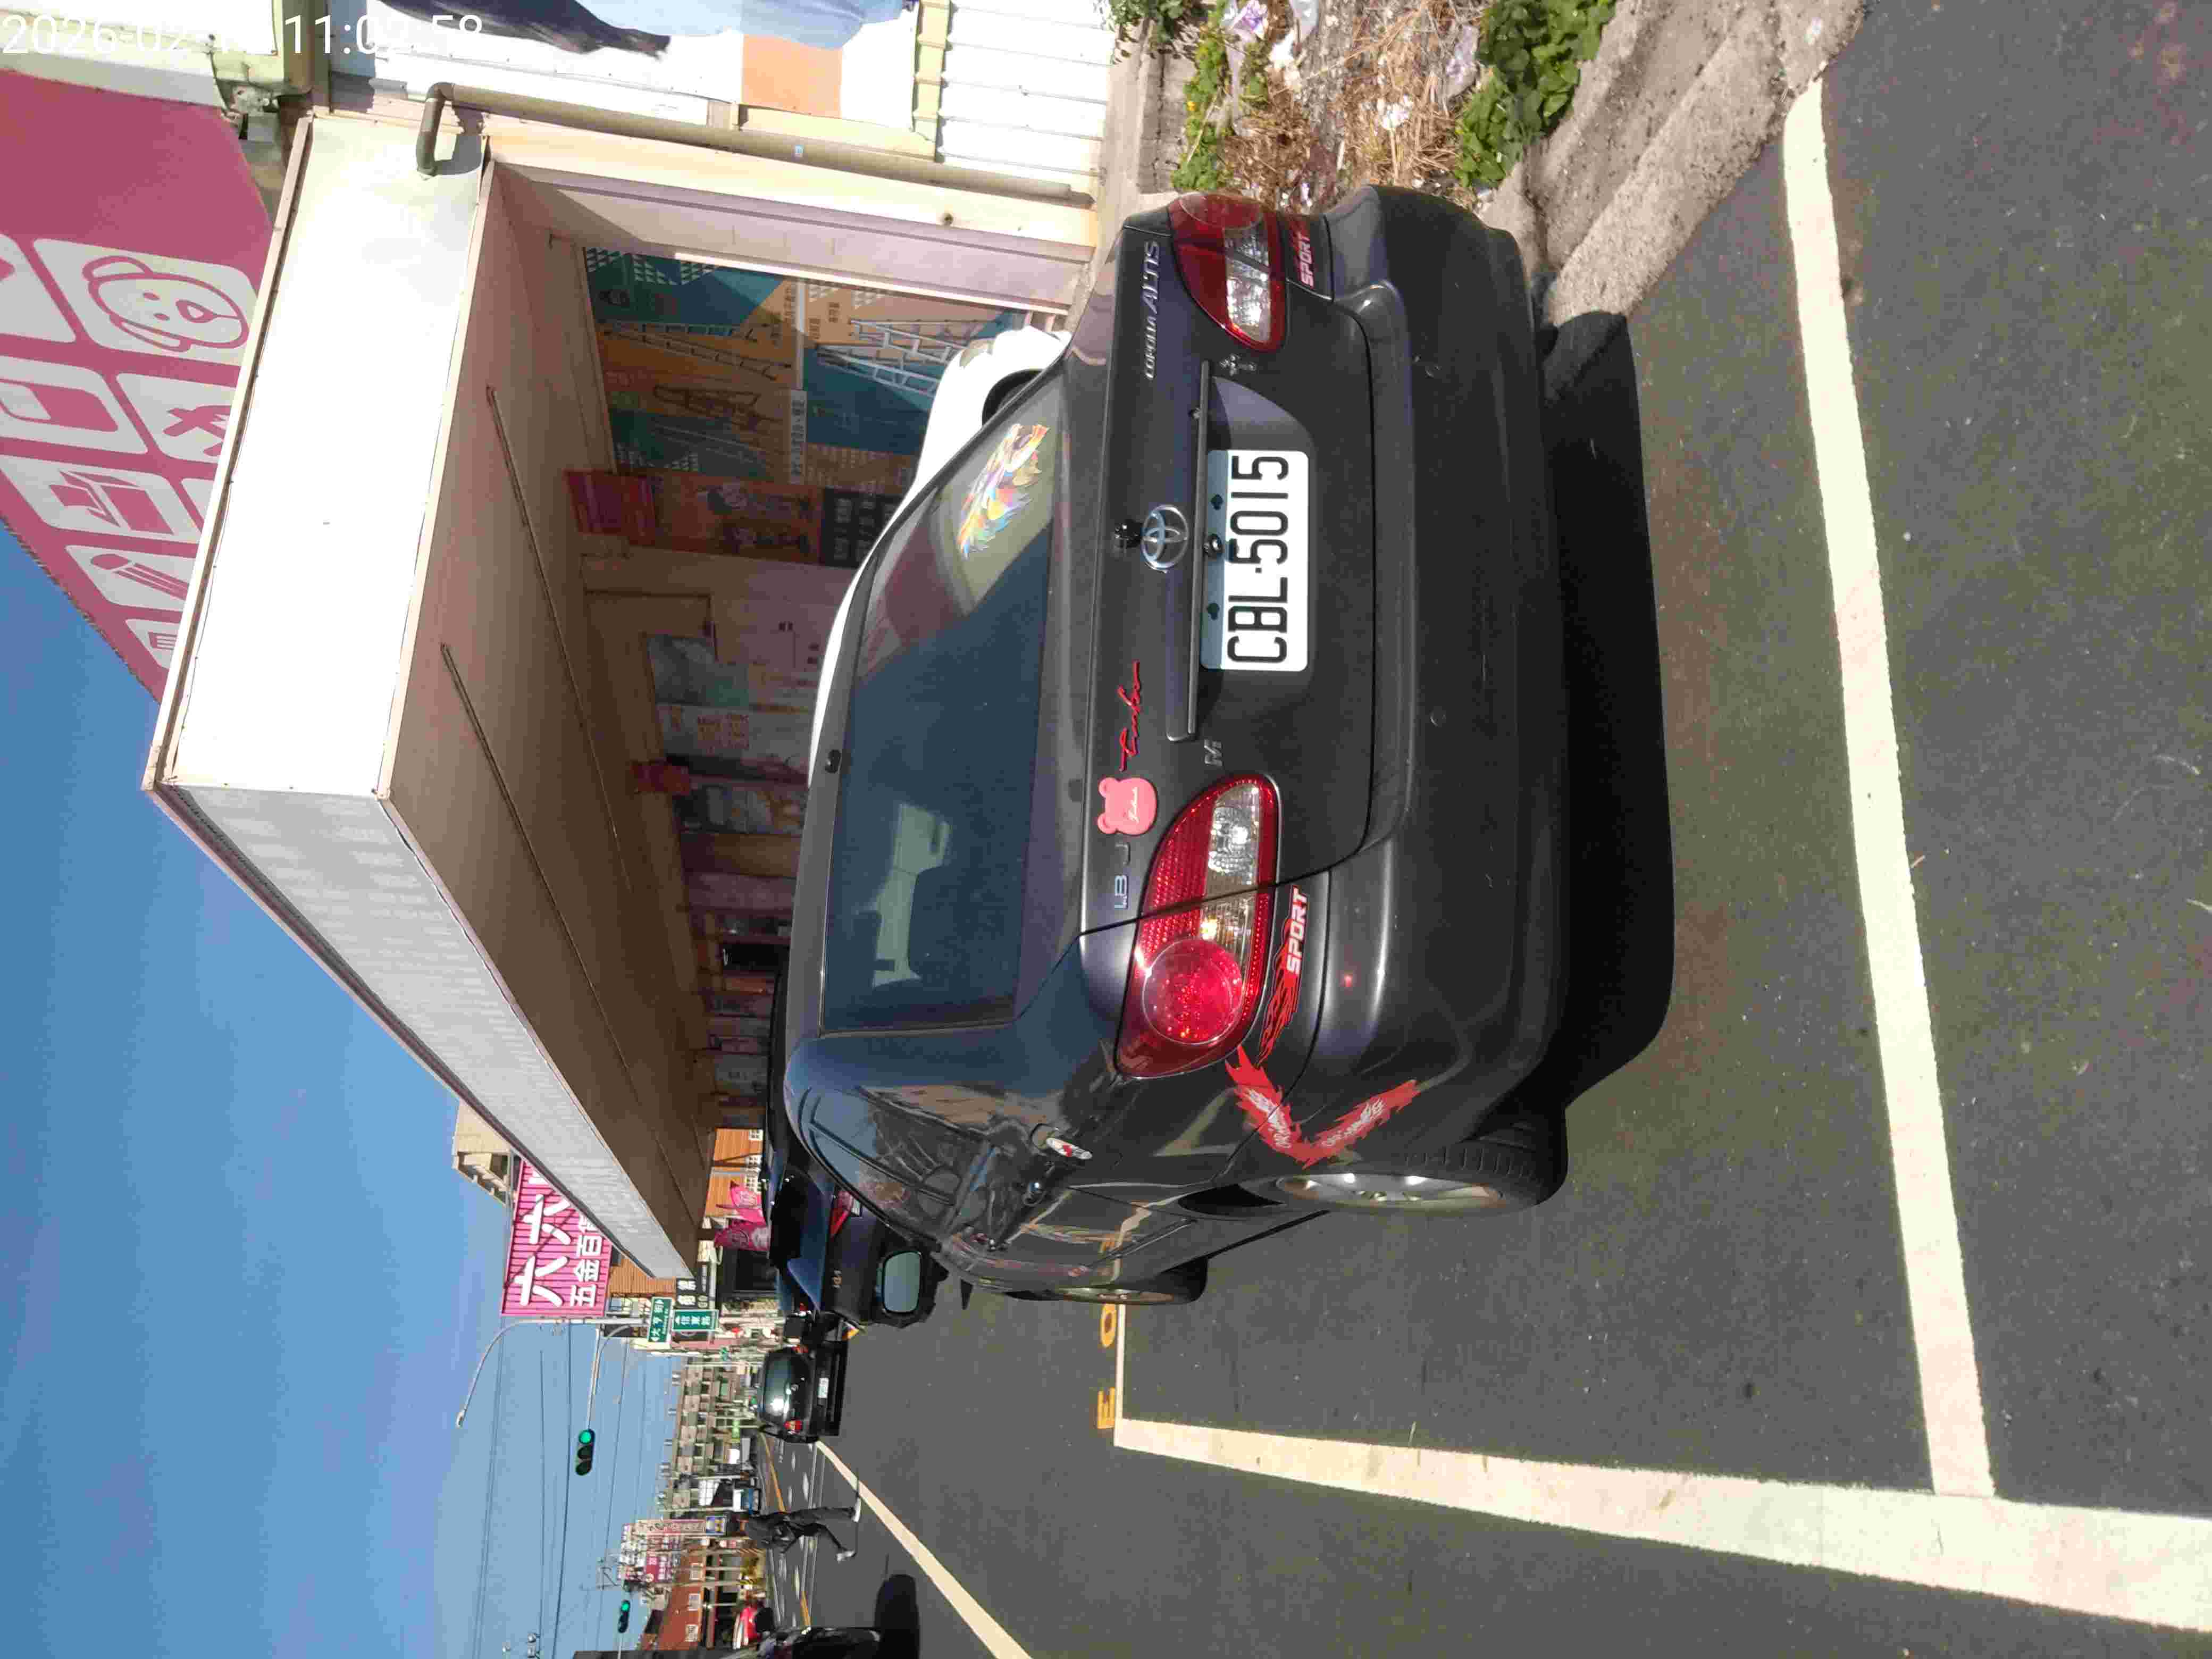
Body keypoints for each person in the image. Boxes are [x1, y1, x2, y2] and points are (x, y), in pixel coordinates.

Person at [738, 1501, 863, 1561]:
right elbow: (767, 1526)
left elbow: (767, 1545)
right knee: (818, 1513)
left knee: (821, 1530)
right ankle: (852, 1514)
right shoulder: (751, 1523)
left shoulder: (752, 1536)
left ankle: (840, 1551)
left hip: (791, 1536)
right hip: (790, 1524)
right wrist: (782, 1516)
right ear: (744, 1518)